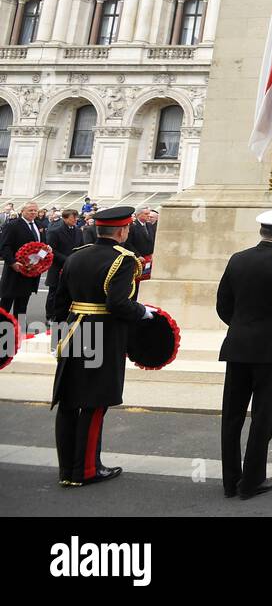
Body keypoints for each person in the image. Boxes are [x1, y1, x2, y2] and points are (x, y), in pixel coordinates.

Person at [48, 205, 153, 486]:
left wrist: (59, 337)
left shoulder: (77, 255)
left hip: (73, 330)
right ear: (122, 231)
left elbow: (60, 302)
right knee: (94, 402)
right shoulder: (124, 259)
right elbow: (118, 303)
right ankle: (87, 469)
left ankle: (67, 470)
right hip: (103, 334)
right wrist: (142, 312)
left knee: (69, 401)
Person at [216, 208, 272, 500]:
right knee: (262, 417)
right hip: (269, 348)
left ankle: (231, 481)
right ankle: (252, 481)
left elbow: (223, 305)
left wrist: (242, 328)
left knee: (232, 416)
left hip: (237, 346)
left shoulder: (237, 259)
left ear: (261, 232)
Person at [1, 201, 46, 334]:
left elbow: (42, 246)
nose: (33, 213)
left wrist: (43, 255)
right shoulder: (13, 225)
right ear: (23, 211)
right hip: (15, 271)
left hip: (31, 272)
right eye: (30, 210)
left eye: (35, 211)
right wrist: (13, 262)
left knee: (22, 303)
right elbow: (5, 247)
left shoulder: (39, 225)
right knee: (6, 302)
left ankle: (18, 330)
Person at [43, 209, 84, 325]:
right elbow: (52, 250)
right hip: (58, 266)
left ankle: (64, 315)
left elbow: (82, 247)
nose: (76, 220)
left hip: (73, 267)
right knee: (54, 292)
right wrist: (67, 259)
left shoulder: (78, 231)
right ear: (65, 218)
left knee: (68, 292)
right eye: (73, 217)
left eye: (76, 217)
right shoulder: (55, 231)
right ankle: (50, 316)